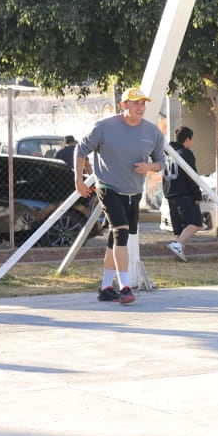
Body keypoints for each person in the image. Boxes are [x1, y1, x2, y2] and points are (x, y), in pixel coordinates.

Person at [73, 87, 166, 305]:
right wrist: (79, 180)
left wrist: (148, 167)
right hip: (108, 187)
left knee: (115, 238)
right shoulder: (104, 128)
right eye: (135, 103)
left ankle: (105, 288)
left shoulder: (152, 132)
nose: (140, 107)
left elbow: (161, 162)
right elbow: (81, 150)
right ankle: (125, 288)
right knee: (121, 233)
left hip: (133, 191)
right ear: (124, 105)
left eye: (143, 103)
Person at [163, 126, 203, 262]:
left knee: (181, 228)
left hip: (171, 194)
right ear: (187, 139)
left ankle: (179, 253)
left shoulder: (168, 154)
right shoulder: (186, 153)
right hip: (185, 193)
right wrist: (197, 195)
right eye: (191, 140)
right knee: (195, 222)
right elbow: (192, 176)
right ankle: (178, 245)